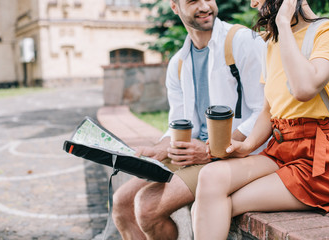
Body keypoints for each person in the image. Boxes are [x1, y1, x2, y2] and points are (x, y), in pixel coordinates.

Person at [112, 0, 265, 239]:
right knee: (122, 201)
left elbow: (264, 111)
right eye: (193, 1)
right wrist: (157, 150)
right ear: (175, 7)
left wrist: (211, 150)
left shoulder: (242, 41)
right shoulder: (179, 63)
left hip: (235, 155)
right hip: (197, 154)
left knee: (147, 206)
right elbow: (179, 122)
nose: (205, 6)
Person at [192, 0, 329, 239]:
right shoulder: (272, 43)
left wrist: (282, 21)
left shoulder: (328, 31)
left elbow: (304, 88)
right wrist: (246, 146)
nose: (253, 3)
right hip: (280, 149)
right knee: (210, 177)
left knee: (211, 204)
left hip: (319, 162)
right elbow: (268, 111)